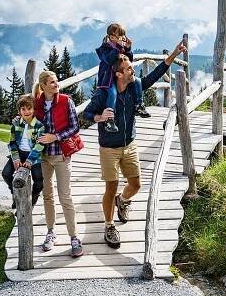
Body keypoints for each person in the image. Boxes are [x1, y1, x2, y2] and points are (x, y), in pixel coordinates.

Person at [83, 40, 187, 249]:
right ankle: (109, 225)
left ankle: (123, 200)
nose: (133, 71)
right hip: (109, 148)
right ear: (119, 74)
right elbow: (86, 114)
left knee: (136, 185)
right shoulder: (104, 94)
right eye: (129, 68)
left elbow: (156, 74)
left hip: (129, 144)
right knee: (110, 187)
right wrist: (100, 117)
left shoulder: (133, 88)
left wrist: (174, 54)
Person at [33, 70, 84, 258]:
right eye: (52, 82)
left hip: (62, 154)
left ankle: (74, 237)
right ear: (43, 86)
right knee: (47, 196)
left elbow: (74, 127)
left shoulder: (65, 100)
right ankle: (50, 232)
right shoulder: (36, 104)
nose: (56, 85)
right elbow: (29, 125)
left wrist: (55, 136)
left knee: (65, 197)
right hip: (44, 157)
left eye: (57, 81)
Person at [96, 23, 151, 133]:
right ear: (112, 37)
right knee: (112, 93)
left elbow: (129, 59)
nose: (123, 38)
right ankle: (109, 120)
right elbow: (110, 60)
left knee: (137, 81)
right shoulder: (104, 49)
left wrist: (128, 48)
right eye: (120, 36)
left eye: (123, 36)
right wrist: (119, 47)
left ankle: (138, 105)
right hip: (108, 79)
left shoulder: (120, 47)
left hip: (121, 78)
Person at [2, 94, 45, 209]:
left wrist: (30, 160)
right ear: (19, 111)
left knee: (39, 178)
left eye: (29, 108)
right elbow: (12, 143)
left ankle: (34, 196)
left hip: (33, 155)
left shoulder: (39, 126)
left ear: (34, 109)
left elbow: (39, 145)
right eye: (23, 109)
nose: (26, 111)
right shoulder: (16, 124)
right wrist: (16, 159)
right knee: (6, 173)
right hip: (19, 153)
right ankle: (15, 193)